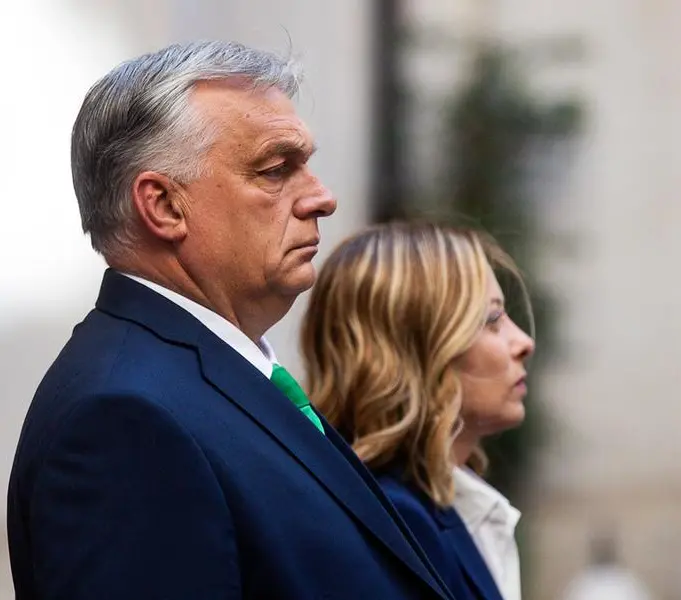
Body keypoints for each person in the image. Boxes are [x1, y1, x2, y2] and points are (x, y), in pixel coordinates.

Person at [6, 41, 451, 600]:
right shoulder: (124, 417)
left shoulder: (200, 380)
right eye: (276, 169)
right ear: (164, 206)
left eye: (306, 165)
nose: (322, 198)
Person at [301, 221, 535, 600]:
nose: (523, 342)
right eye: (492, 320)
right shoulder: (397, 525)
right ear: (413, 348)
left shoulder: (441, 506)